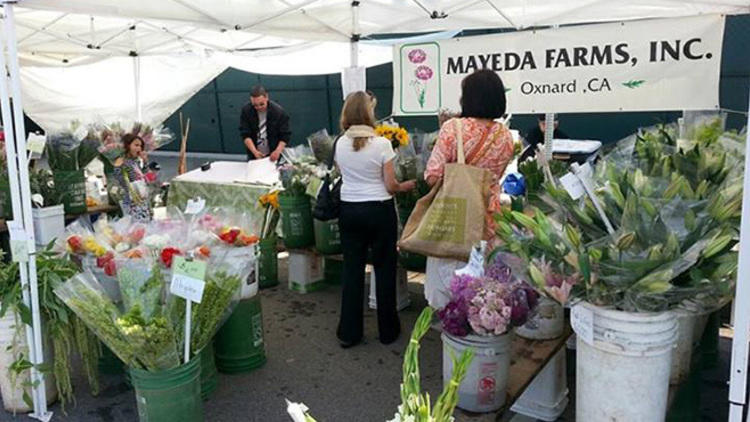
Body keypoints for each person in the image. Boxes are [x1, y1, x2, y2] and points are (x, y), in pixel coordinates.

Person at [422, 69, 515, 309]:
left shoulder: (453, 128)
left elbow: (432, 176)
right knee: (482, 292)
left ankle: (452, 334)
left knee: (449, 289)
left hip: (456, 218)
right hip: (488, 220)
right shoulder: (505, 135)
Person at [335, 91, 416, 348]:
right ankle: (387, 331)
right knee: (384, 269)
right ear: (369, 113)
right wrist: (406, 186)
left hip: (349, 209)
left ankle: (349, 332)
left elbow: (342, 173)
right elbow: (390, 185)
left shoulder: (339, 143)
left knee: (352, 271)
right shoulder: (382, 144)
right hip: (379, 210)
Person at [239, 85, 291, 161]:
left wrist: (277, 151)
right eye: (255, 105)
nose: (259, 108)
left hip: (274, 153)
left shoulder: (279, 112)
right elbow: (245, 134)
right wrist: (254, 152)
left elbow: (285, 136)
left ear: (266, 97)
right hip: (254, 154)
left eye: (262, 104)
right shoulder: (246, 110)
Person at [113, 133, 151, 222]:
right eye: (136, 145)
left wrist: (145, 162)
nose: (139, 148)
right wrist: (117, 167)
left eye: (140, 146)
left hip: (141, 200)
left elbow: (144, 176)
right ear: (127, 146)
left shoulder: (135, 162)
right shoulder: (122, 161)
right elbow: (119, 180)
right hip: (131, 201)